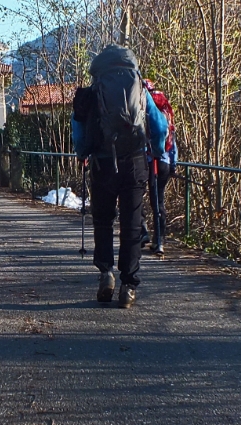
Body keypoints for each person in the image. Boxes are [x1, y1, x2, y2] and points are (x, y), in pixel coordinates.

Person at [72, 45, 169, 308]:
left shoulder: (93, 91)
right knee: (132, 224)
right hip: (135, 162)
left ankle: (106, 274)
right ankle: (129, 286)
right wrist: (157, 152)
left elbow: (79, 130)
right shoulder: (139, 89)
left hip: (103, 163)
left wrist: (83, 152)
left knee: (103, 220)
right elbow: (160, 127)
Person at [138, 80, 179, 256]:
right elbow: (173, 138)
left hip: (145, 158)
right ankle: (159, 240)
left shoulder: (143, 105)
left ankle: (142, 231)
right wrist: (173, 164)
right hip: (164, 160)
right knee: (158, 200)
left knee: (135, 195)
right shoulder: (166, 110)